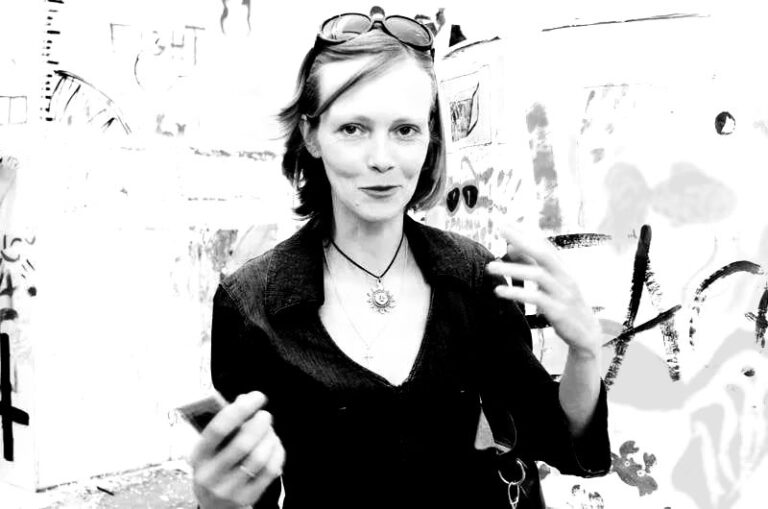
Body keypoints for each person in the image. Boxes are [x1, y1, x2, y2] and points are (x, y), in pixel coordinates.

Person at [189, 9, 610, 509]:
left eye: (405, 130)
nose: (382, 159)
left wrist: (585, 352)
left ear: (431, 137)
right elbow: (250, 491)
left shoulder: (473, 276)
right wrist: (217, 501)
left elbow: (558, 438)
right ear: (311, 135)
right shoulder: (251, 304)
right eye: (353, 128)